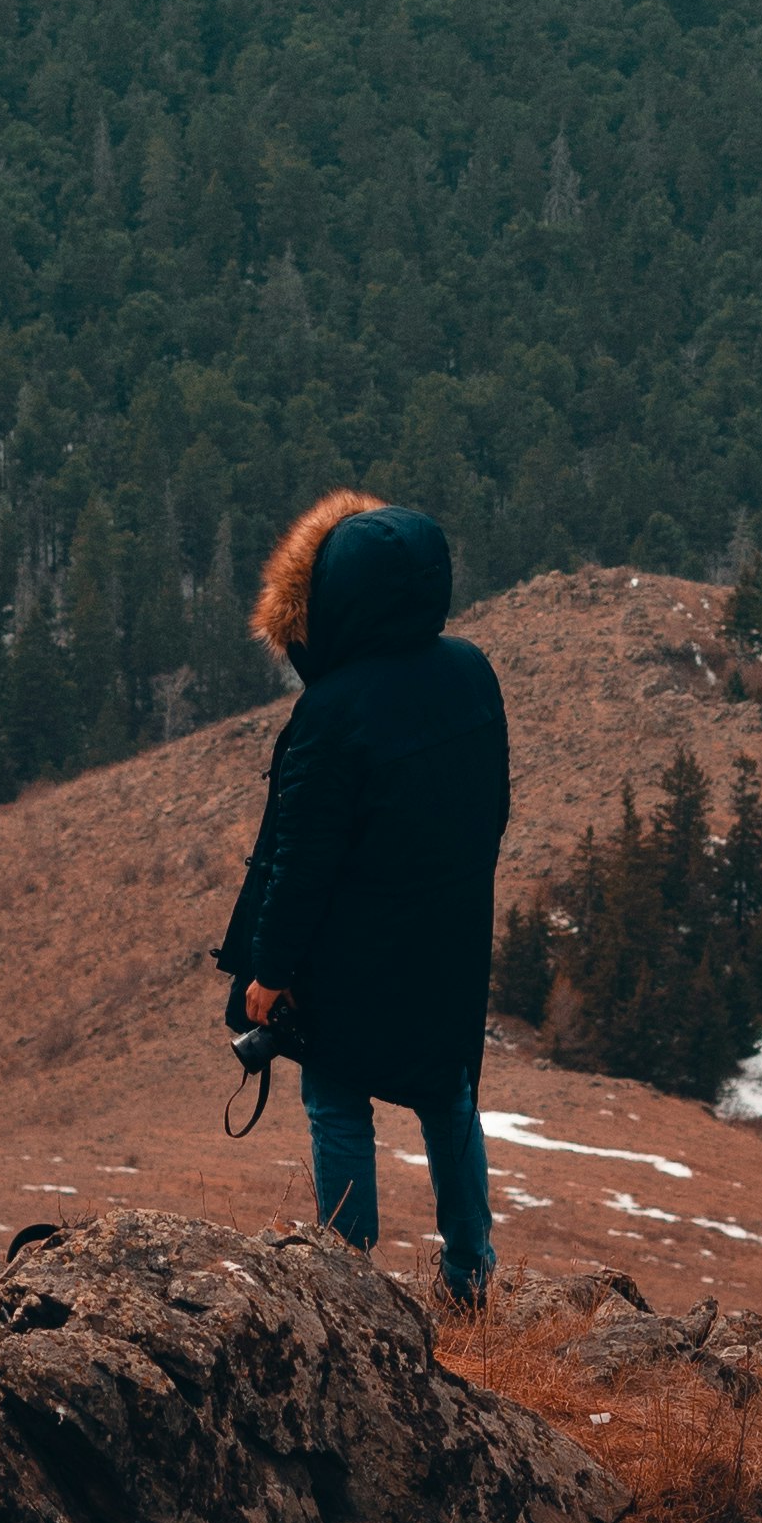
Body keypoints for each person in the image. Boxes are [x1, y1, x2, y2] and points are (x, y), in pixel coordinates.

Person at [217, 490, 509, 1308]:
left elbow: (299, 863)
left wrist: (269, 973)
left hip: (352, 960)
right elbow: (494, 813)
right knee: (449, 1101)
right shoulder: (471, 670)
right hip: (449, 944)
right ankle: (470, 1281)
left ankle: (349, 1289)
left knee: (338, 1103)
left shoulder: (330, 712)